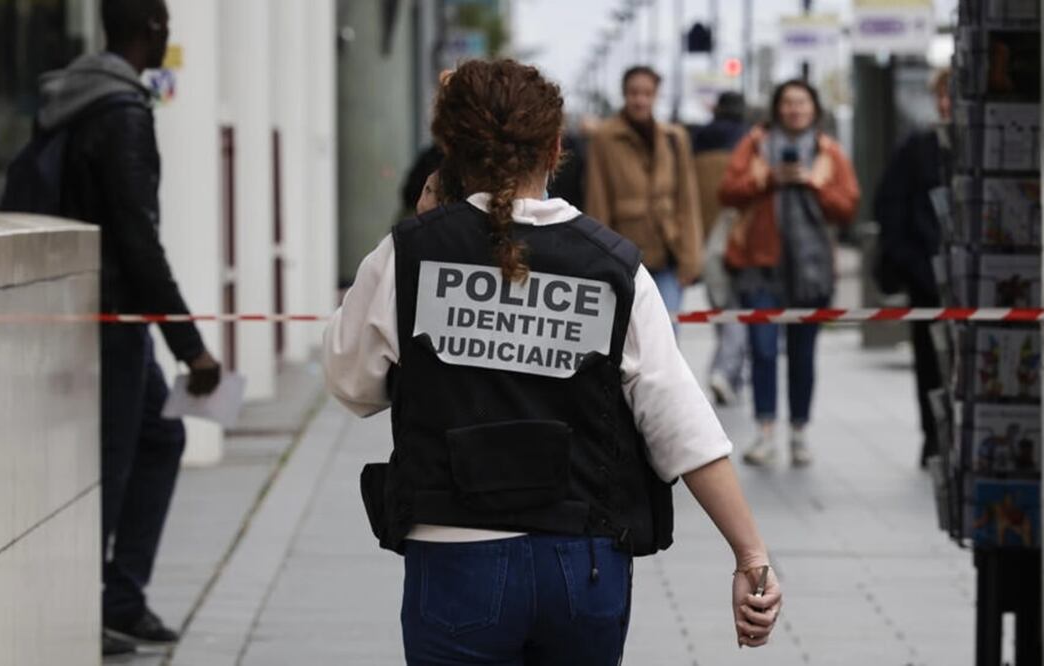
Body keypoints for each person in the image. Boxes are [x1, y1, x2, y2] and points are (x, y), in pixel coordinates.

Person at [324, 59, 781, 665]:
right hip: (582, 561)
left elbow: (353, 385)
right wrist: (750, 557)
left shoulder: (410, 254)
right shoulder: (613, 266)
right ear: (557, 147)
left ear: (452, 149)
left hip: (455, 557)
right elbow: (680, 424)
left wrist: (424, 224)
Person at [34, 0, 221, 655]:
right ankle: (83, 611)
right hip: (110, 320)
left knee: (160, 437)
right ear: (154, 30)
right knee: (108, 467)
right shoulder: (119, 113)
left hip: (98, 310)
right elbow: (138, 238)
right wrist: (191, 346)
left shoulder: (74, 97)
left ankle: (120, 598)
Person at [718, 79, 860, 467]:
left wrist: (814, 183)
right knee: (762, 349)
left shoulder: (829, 152)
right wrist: (767, 179)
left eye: (802, 103)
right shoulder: (756, 145)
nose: (795, 110)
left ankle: (799, 431)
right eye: (788, 103)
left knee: (803, 353)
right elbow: (728, 191)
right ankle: (765, 431)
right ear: (777, 107)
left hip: (811, 270)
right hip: (760, 265)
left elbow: (848, 207)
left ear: (814, 109)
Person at [874, 69, 952, 467]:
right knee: (930, 360)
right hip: (929, 279)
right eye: (941, 94)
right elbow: (890, 207)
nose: (945, 103)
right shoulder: (918, 149)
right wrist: (914, 265)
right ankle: (934, 436)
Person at [585, 65, 704, 322]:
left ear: (656, 95)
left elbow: (687, 200)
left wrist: (691, 259)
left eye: (647, 93)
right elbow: (598, 200)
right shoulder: (605, 138)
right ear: (624, 94)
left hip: (669, 251)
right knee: (627, 340)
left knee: (667, 336)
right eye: (634, 93)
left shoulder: (674, 137)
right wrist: (599, 259)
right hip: (624, 254)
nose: (640, 100)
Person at [693, 92, 751, 406]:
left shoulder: (696, 144)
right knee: (737, 309)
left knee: (722, 308)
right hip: (736, 238)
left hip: (702, 237)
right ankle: (725, 371)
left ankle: (731, 373)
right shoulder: (746, 145)